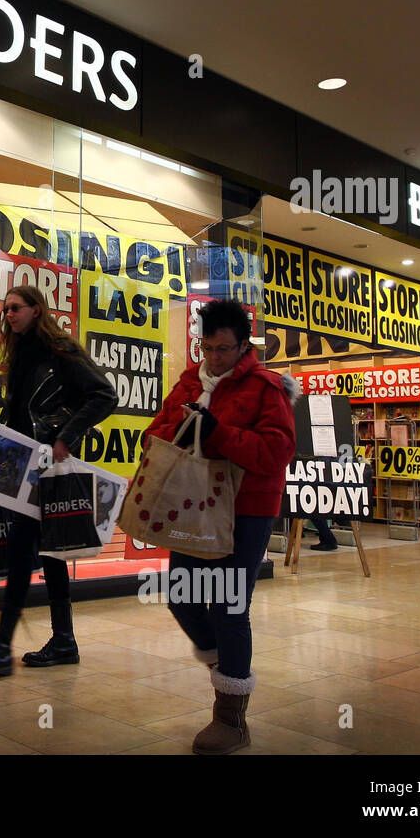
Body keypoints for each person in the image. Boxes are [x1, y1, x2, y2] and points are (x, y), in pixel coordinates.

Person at [143, 299, 295, 755]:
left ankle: (231, 717)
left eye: (223, 349)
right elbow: (160, 428)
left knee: (229, 606)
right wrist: (173, 431)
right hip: (191, 504)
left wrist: (218, 434)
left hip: (245, 510)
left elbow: (276, 452)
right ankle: (223, 662)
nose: (213, 357)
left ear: (243, 345)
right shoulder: (191, 380)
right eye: (206, 348)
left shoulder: (268, 388)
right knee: (182, 596)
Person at [0, 285, 116, 676]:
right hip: (23, 461)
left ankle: (1, 647)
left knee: (23, 552)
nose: (8, 315)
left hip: (46, 461)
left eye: (16, 308)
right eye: (6, 310)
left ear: (36, 309)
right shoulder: (22, 354)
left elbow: (103, 395)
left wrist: (67, 434)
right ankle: (62, 640)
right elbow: (17, 414)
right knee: (48, 552)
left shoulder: (60, 349)